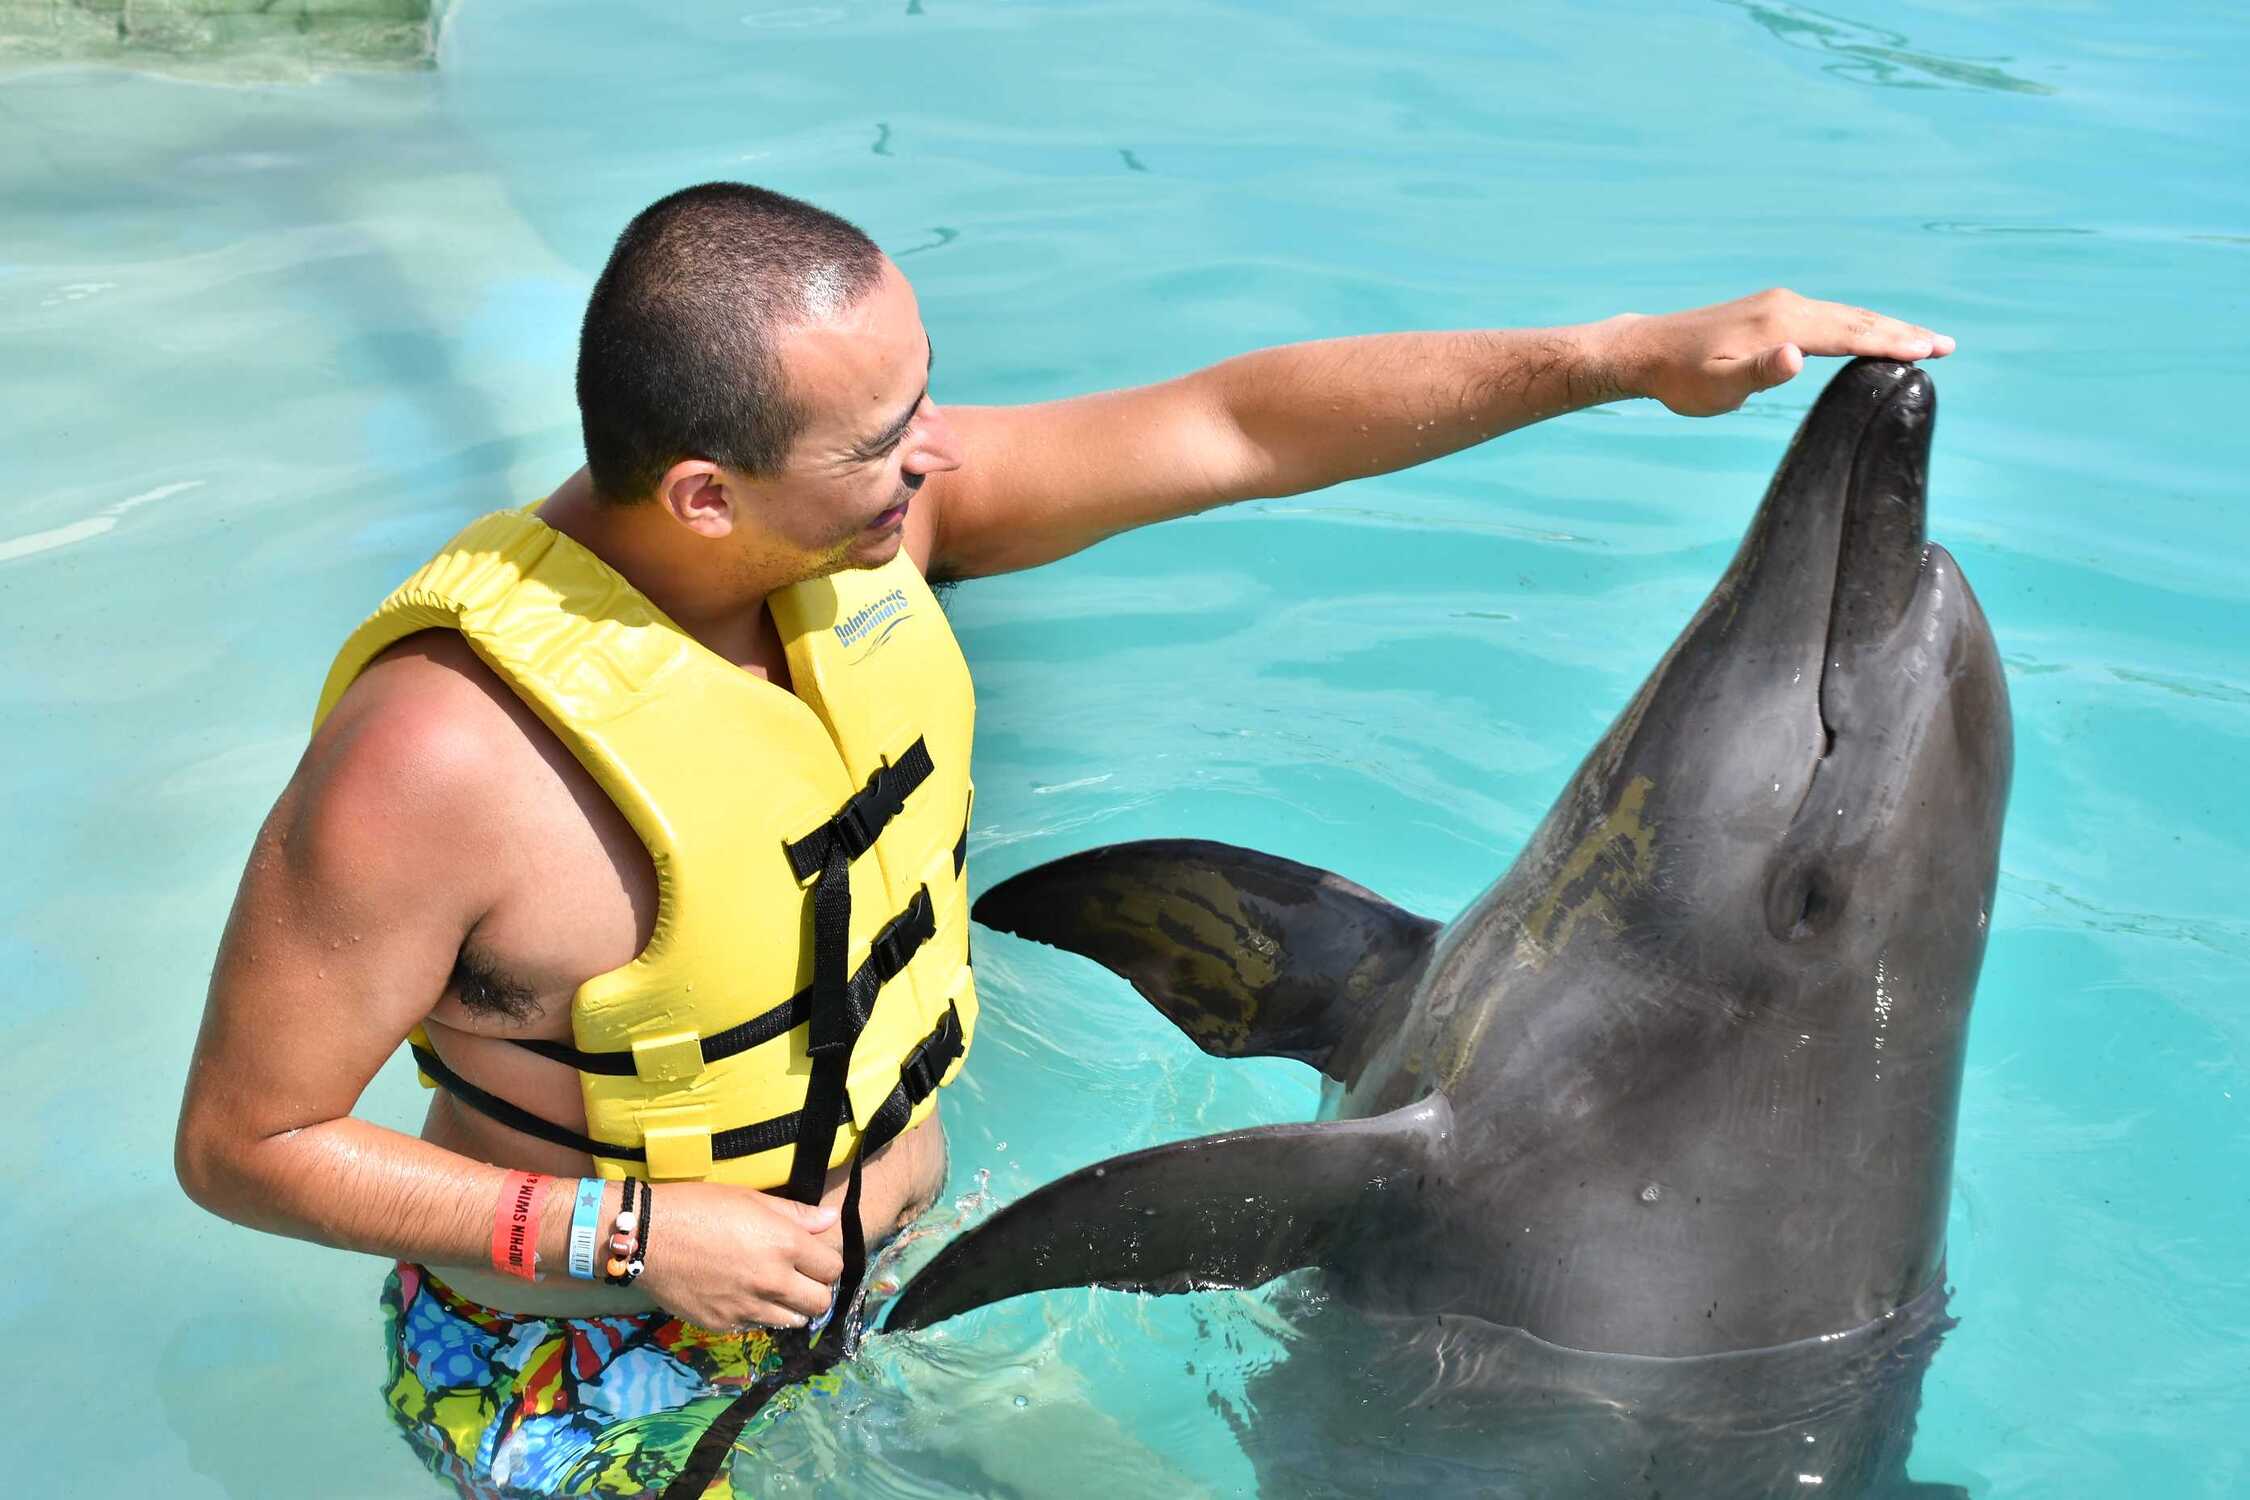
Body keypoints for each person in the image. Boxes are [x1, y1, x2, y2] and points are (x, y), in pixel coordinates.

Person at [174, 181, 1954, 1498]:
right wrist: (638, 1241)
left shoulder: (860, 536)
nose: (932, 463)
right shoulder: (437, 761)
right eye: (879, 444)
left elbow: (1233, 427)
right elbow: (245, 1142)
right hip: (586, 1375)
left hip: (866, 1303)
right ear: (706, 492)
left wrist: (1626, 360)